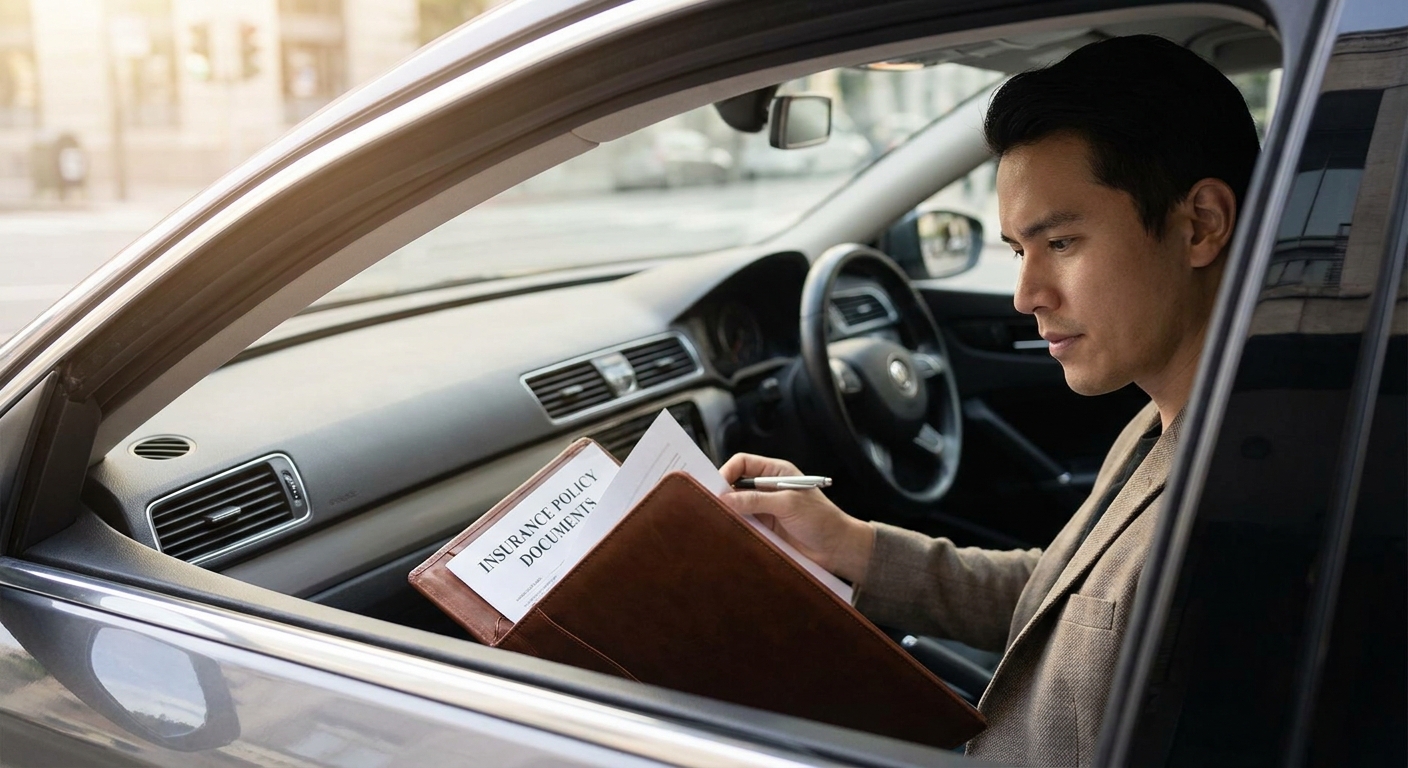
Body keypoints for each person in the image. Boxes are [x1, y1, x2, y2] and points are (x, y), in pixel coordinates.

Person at [721, 35, 1260, 766]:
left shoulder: (1246, 505)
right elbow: (1068, 599)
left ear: (1201, 224)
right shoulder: (1165, 417)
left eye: (1061, 242)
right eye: (1016, 251)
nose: (1025, 295)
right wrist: (848, 544)